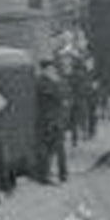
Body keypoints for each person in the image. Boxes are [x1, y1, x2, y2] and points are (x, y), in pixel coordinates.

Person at [35, 57, 70, 185]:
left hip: (54, 120)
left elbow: (64, 96)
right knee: (49, 149)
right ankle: (47, 175)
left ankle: (61, 174)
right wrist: (58, 84)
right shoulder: (42, 83)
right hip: (48, 121)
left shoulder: (50, 81)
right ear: (45, 69)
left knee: (57, 149)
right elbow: (59, 96)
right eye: (50, 68)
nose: (53, 70)